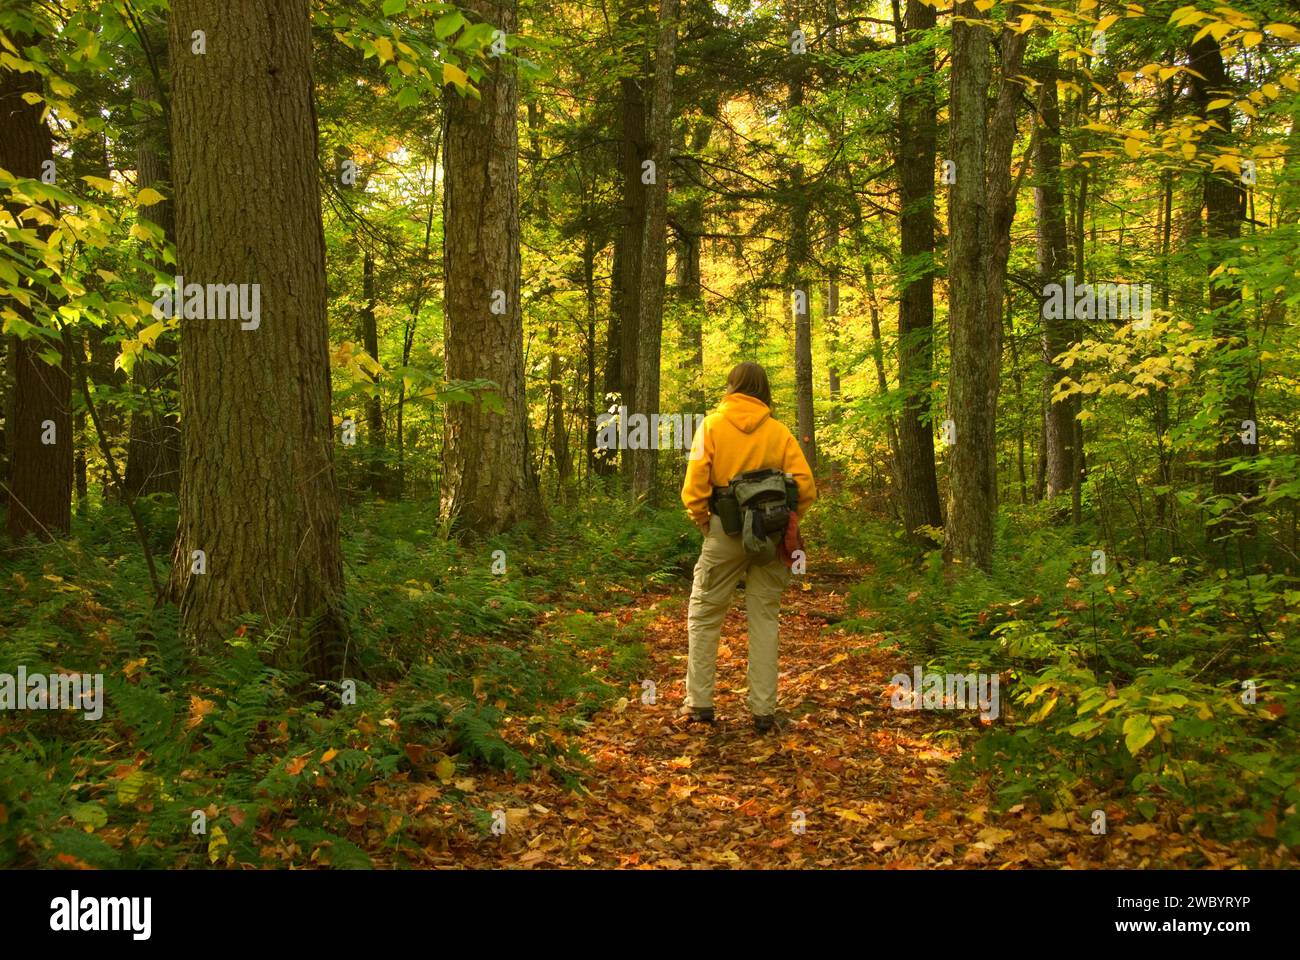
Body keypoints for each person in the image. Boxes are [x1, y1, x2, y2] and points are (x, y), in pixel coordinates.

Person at [678, 361, 816, 733]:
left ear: (732, 386)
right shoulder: (779, 432)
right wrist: (789, 519)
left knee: (705, 615)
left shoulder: (711, 426)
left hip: (726, 530)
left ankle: (700, 704)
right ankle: (763, 711)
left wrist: (706, 524)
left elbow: (693, 489)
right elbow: (806, 487)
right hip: (770, 535)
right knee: (765, 619)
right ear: (763, 389)